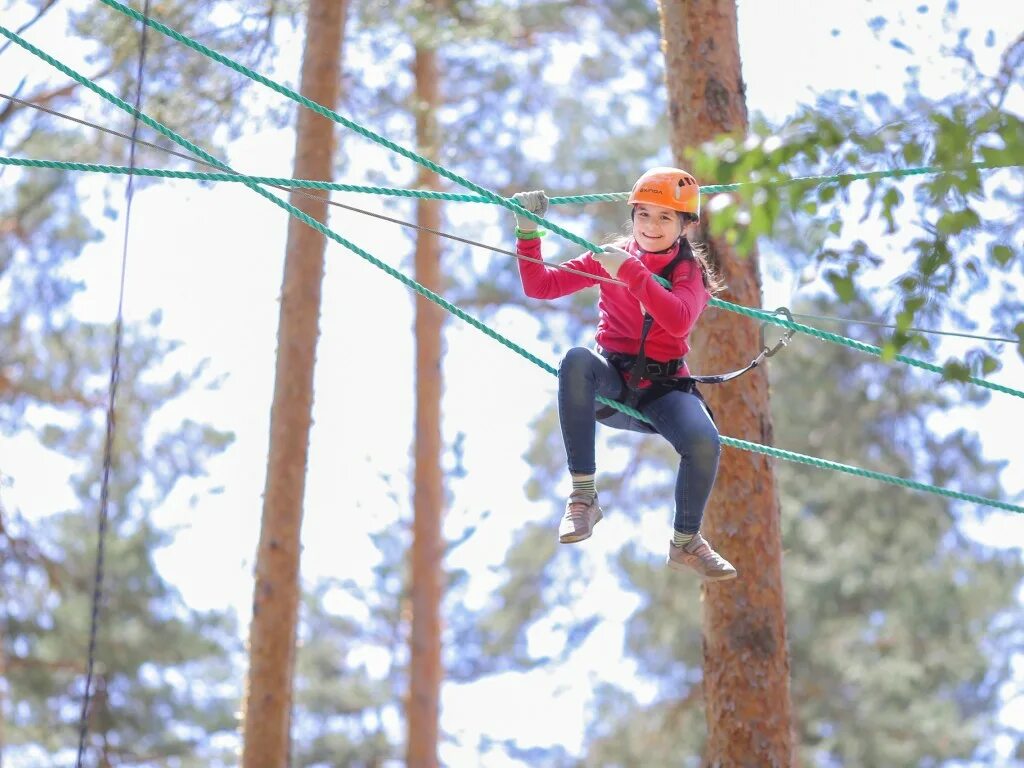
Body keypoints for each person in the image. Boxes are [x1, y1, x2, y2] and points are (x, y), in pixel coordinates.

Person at [510, 167, 737, 581]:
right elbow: (541, 286)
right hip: (611, 381)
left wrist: (629, 271)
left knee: (705, 442)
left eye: (665, 217)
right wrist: (529, 235)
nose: (651, 226)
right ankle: (583, 498)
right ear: (632, 216)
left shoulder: (690, 273)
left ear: (685, 226)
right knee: (577, 360)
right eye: (644, 215)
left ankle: (686, 541)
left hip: (664, 391)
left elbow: (679, 319)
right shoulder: (610, 257)